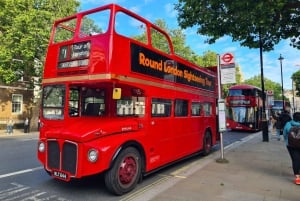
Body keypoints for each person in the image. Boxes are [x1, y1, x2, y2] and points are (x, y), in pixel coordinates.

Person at [283, 112, 300, 185]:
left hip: (290, 145)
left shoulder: (288, 124)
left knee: (295, 159)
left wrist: (287, 141)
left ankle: (297, 178)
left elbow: (284, 134)